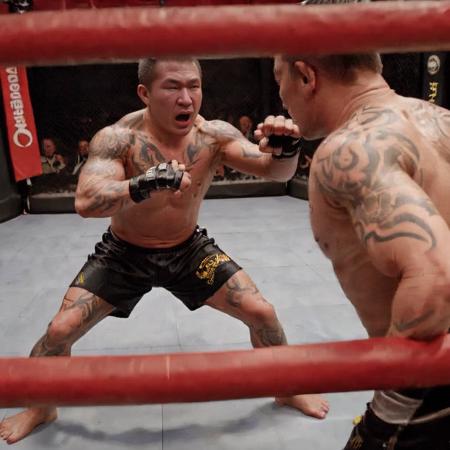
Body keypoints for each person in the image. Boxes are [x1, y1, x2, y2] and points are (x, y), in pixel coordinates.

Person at [0, 57, 329, 445]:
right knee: (59, 330)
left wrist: (286, 150)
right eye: (172, 87)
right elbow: (86, 202)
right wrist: (143, 184)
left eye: (194, 86)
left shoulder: (214, 135)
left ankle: (286, 387)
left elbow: (276, 172)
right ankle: (41, 406)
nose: (186, 98)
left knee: (263, 313)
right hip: (124, 254)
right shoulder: (119, 138)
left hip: (188, 250)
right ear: (145, 93)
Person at [272, 1, 450, 448]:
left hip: (428, 393)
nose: (281, 97)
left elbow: (436, 278)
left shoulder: (349, 151)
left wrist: (386, 416)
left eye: (280, 81)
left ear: (306, 76)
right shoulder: (439, 121)